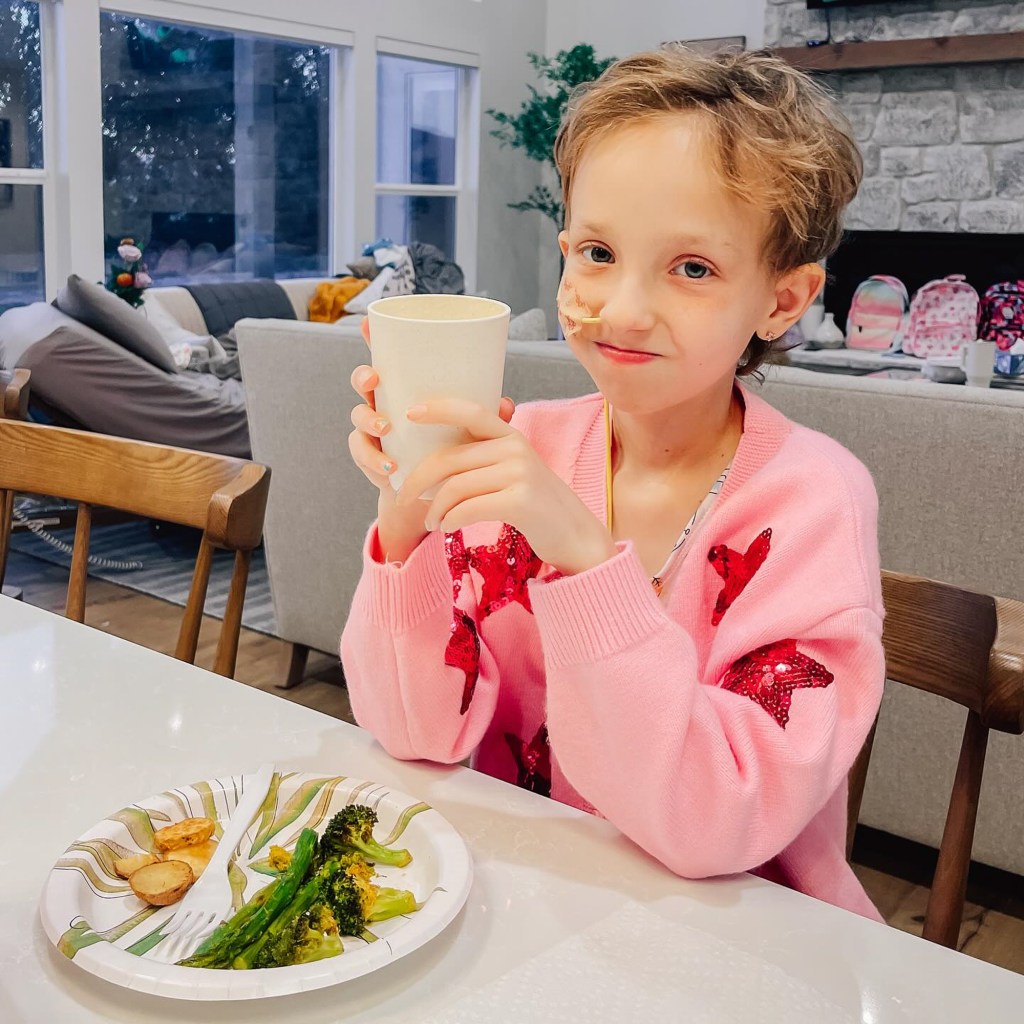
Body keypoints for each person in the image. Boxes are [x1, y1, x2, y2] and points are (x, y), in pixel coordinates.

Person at [341, 46, 884, 920]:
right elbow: (415, 733)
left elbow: (717, 822)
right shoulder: (525, 449)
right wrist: (404, 523)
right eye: (597, 252)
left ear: (783, 301)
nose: (623, 308)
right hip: (528, 906)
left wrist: (586, 558)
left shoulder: (814, 503)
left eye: (693, 268)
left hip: (747, 944)